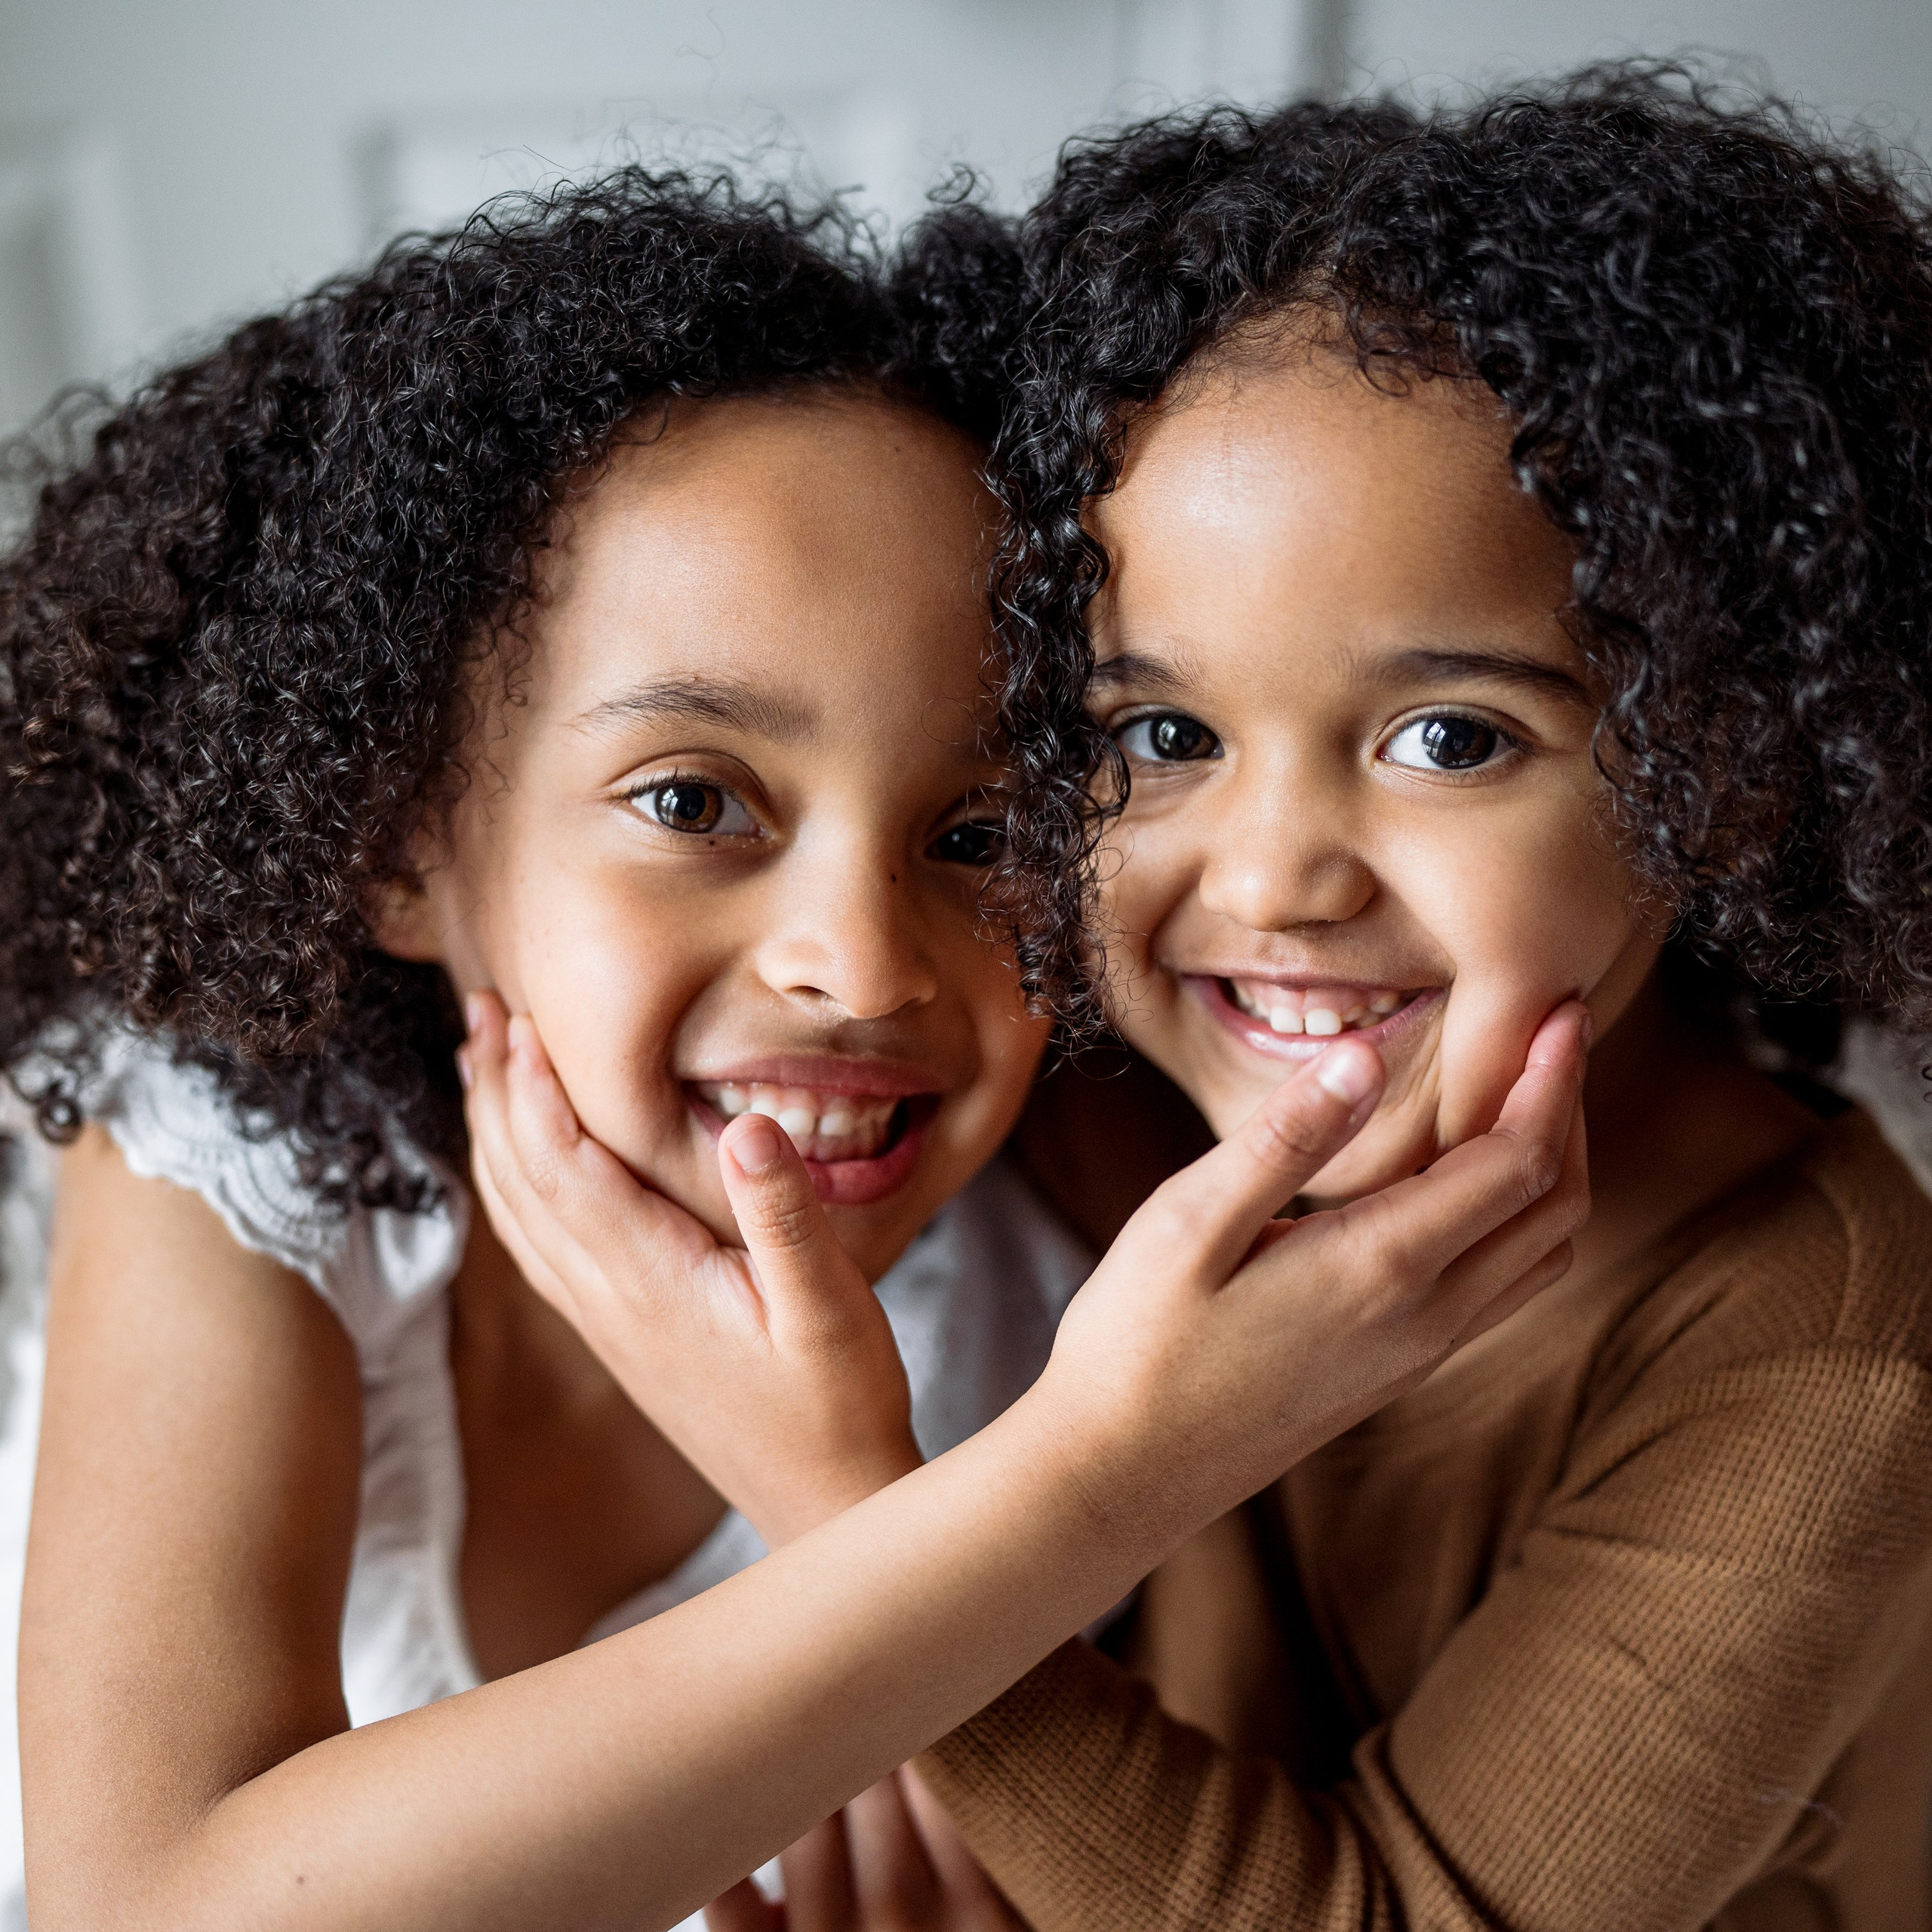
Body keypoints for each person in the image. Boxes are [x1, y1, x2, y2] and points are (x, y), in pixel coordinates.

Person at [0, 171, 1586, 1931]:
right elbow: (143, 1905)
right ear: (397, 840)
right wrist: (1102, 1471)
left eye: (979, 834)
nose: (856, 962)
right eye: (692, 799)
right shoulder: (233, 1152)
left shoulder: (1070, 1264)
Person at [467, 71, 1932, 1931]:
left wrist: (841, 1499)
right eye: (1159, 735)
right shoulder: (1115, 1090)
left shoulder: (1824, 1359)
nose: (1270, 881)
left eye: (1445, 736)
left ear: (1716, 767)